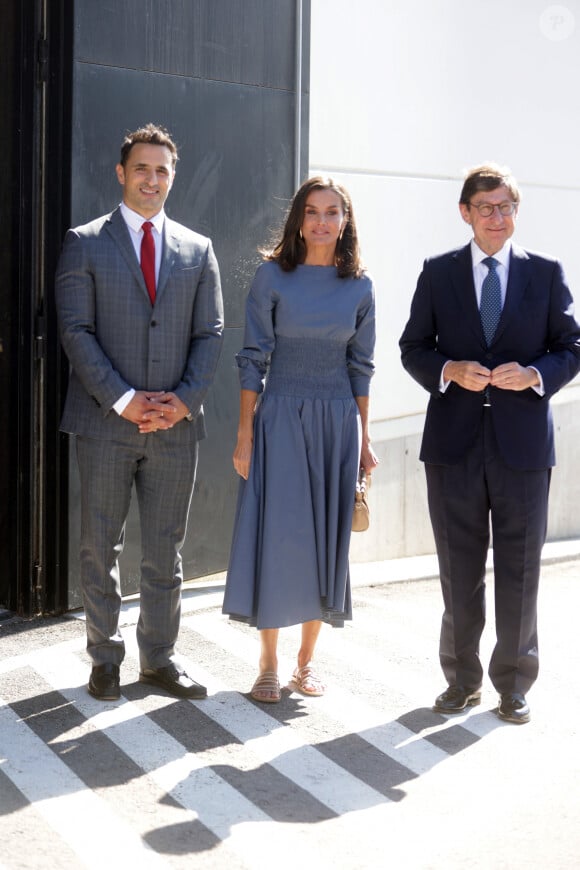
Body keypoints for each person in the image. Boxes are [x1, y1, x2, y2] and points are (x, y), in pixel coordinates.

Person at [400, 162, 580, 724]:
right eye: (486, 207)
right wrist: (449, 367)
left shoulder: (545, 273)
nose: (497, 217)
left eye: (506, 206)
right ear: (465, 213)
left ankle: (514, 683)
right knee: (459, 568)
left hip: (522, 444)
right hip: (453, 445)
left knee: (521, 567)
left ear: (515, 212)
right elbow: (413, 347)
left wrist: (534, 375)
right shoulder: (438, 272)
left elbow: (571, 346)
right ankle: (461, 679)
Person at [55, 123, 224, 701]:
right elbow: (75, 330)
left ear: (172, 178)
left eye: (163, 171)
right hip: (105, 423)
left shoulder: (198, 250)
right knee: (99, 546)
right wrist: (125, 400)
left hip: (175, 427)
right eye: (143, 169)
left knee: (165, 549)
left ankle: (159, 658)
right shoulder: (85, 241)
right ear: (122, 173)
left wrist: (183, 401)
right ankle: (105, 657)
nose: (152, 180)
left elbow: (211, 332)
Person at [222, 176, 378, 703]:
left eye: (332, 212)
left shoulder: (360, 286)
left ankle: (304, 666)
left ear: (345, 220)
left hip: (338, 421)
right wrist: (244, 434)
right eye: (312, 211)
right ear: (298, 219)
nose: (321, 221)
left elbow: (362, 369)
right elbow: (252, 359)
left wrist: (365, 439)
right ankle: (266, 665)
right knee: (278, 536)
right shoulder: (272, 277)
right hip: (281, 417)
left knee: (323, 542)